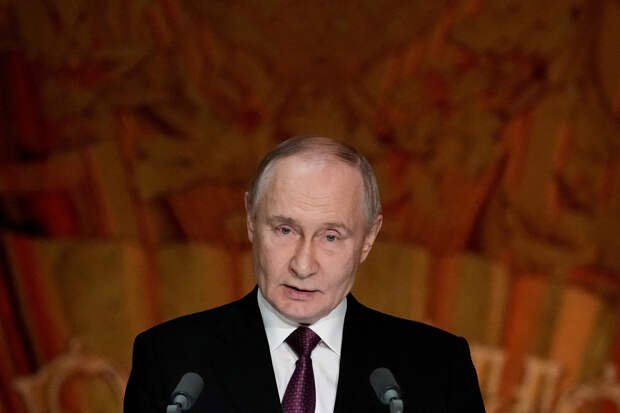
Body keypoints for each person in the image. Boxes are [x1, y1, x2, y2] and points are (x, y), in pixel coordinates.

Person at [124, 136, 486, 413]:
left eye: (331, 237)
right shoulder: (170, 362)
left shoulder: (439, 367)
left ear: (368, 238)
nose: (303, 265)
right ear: (250, 219)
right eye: (285, 230)